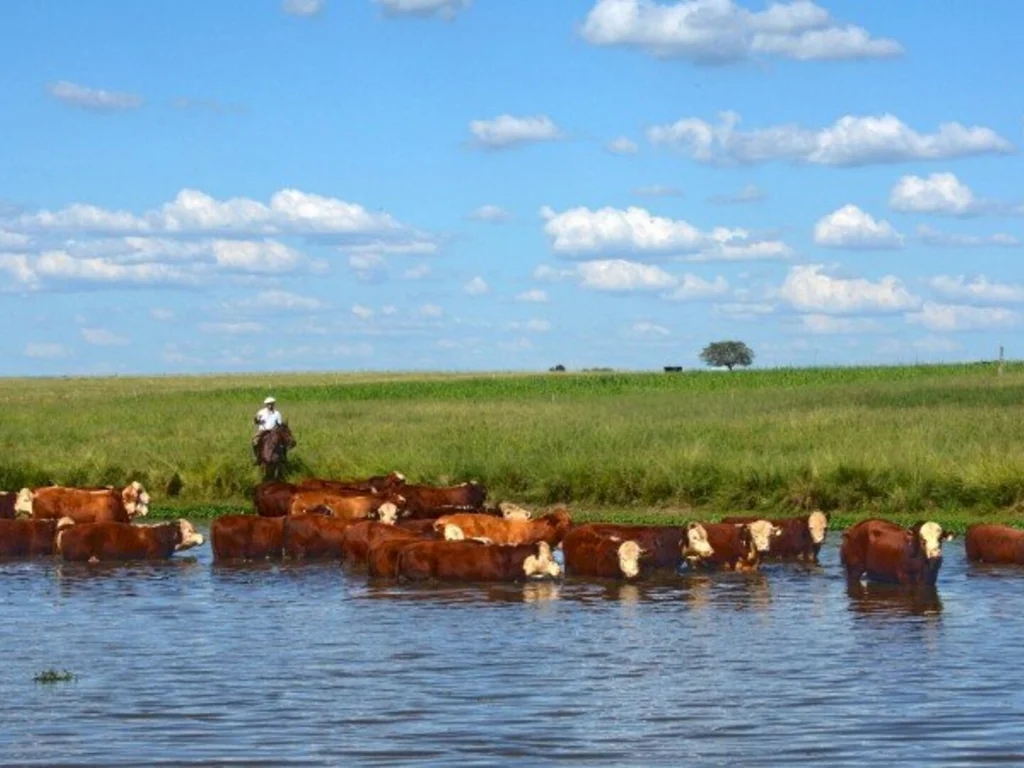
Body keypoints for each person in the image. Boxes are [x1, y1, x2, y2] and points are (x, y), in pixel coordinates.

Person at [252, 396, 284, 463]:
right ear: (266, 405)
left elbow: (279, 424)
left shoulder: (277, 413)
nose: (270, 405)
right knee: (255, 442)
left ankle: (284, 457)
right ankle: (256, 457)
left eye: (272, 404)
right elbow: (256, 421)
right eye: (269, 404)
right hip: (262, 430)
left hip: (273, 431)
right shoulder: (261, 412)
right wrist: (258, 421)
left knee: (282, 443)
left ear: (274, 404)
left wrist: (275, 428)